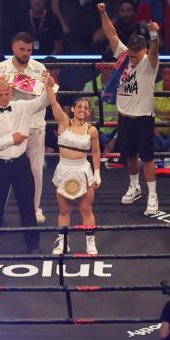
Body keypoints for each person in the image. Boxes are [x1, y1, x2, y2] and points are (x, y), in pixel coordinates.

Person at [0, 32, 49, 225]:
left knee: (35, 170)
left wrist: (48, 84)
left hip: (34, 124)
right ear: (14, 48)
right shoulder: (0, 68)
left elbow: (50, 93)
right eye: (22, 49)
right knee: (2, 170)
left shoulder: (39, 68)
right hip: (7, 127)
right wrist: (5, 88)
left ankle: (35, 210)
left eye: (29, 50)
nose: (26, 53)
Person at [97, 2, 161, 216]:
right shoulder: (124, 56)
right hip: (124, 118)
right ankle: (135, 187)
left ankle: (153, 196)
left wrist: (153, 33)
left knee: (148, 158)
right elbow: (111, 34)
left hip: (143, 118)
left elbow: (155, 48)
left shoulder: (150, 63)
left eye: (136, 51)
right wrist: (104, 13)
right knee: (130, 157)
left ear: (143, 50)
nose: (132, 54)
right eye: (131, 50)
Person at [0, 76, 49, 254]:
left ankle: (33, 244)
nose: (4, 97)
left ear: (11, 92)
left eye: (6, 93)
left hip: (20, 163)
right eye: (0, 94)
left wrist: (51, 85)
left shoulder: (22, 107)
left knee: (27, 205)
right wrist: (11, 139)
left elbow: (45, 101)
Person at [45, 75, 102, 255]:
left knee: (86, 209)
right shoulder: (64, 123)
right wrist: (49, 86)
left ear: (89, 111)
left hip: (83, 171)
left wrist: (98, 173)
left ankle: (90, 243)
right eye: (79, 107)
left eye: (86, 108)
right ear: (73, 109)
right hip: (64, 169)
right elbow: (53, 103)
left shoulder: (92, 130)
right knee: (64, 210)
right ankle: (63, 243)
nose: (82, 110)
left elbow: (96, 152)